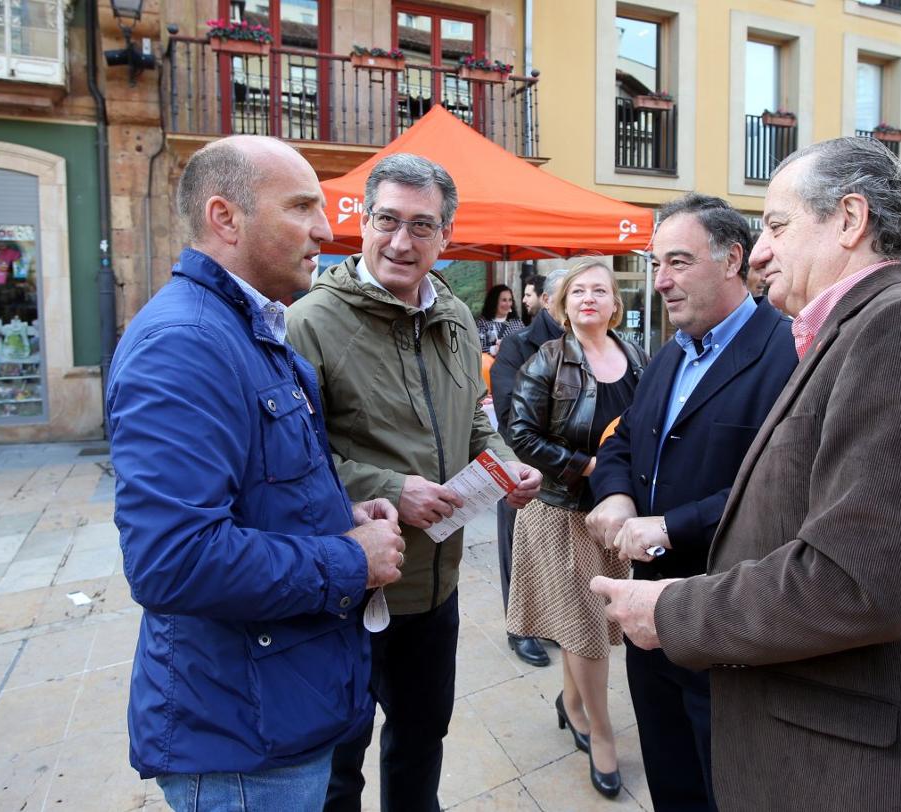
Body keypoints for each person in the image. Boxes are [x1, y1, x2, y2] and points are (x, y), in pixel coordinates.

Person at [592, 136, 901, 811]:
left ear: (850, 220)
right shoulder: (852, 330)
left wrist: (671, 607)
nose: (759, 252)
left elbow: (852, 584)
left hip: (859, 764)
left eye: (777, 227)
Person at [107, 135, 406, 809]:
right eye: (301, 207)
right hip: (238, 741)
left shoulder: (249, 330)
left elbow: (261, 491)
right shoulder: (184, 344)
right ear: (226, 217)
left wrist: (341, 516)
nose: (326, 230)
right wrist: (348, 561)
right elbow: (173, 561)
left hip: (275, 710)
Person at [285, 152, 542, 812]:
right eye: (388, 220)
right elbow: (288, 464)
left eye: (421, 226)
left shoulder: (455, 318)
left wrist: (504, 460)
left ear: (445, 237)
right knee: (340, 760)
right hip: (350, 588)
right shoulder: (309, 322)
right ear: (362, 222)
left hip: (437, 585)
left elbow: (472, 422)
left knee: (423, 738)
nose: (402, 241)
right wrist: (394, 489)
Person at [586, 193, 798, 811]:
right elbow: (624, 436)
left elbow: (781, 489)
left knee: (729, 789)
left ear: (733, 259)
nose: (660, 282)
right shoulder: (672, 352)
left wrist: (669, 526)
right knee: (671, 781)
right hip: (649, 621)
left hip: (727, 625)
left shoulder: (787, 352)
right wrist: (619, 497)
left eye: (677, 263)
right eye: (656, 264)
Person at [505, 259, 648, 798]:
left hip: (615, 513)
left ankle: (571, 704)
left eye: (601, 290)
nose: (589, 298)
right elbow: (518, 433)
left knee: (585, 623)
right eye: (578, 291)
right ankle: (603, 734)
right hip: (564, 511)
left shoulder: (635, 356)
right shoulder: (547, 359)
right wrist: (589, 467)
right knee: (589, 629)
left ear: (616, 304)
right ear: (563, 304)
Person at [491, 270, 568, 667]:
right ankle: (519, 627)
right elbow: (509, 414)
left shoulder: (593, 342)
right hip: (525, 464)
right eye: (576, 292)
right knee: (518, 548)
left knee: (559, 553)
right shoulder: (518, 344)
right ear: (553, 299)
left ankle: (553, 622)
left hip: (573, 473)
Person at [476, 283, 522, 355]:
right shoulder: (482, 323)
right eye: (504, 300)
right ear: (494, 302)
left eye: (510, 300)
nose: (508, 304)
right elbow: (477, 348)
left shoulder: (517, 322)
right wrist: (494, 350)